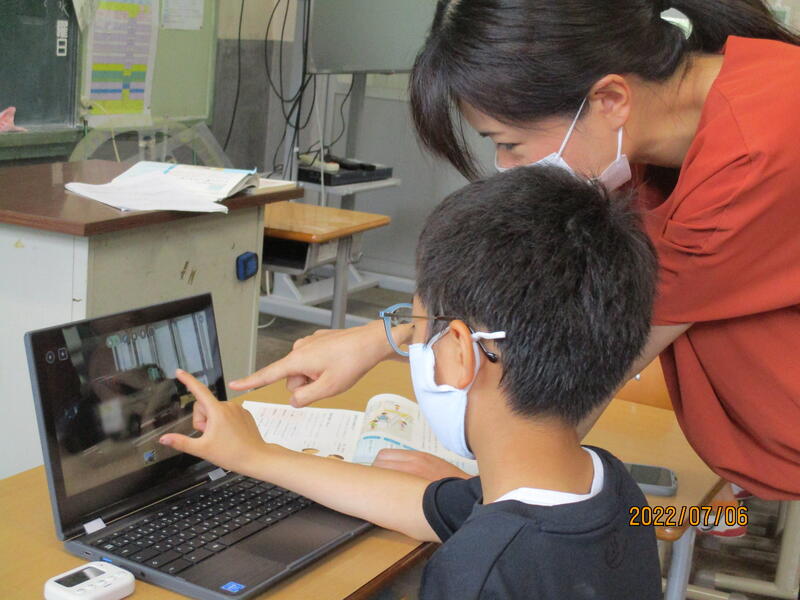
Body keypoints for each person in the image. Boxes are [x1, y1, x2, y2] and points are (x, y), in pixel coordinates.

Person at [232, 0, 800, 501]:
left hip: (773, 440)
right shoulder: (646, 135)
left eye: (510, 144)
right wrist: (378, 339)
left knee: (652, 517)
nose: (507, 167)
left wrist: (485, 496)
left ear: (609, 99)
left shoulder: (759, 149)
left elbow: (578, 357)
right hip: (744, 432)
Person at [160, 167, 662, 598]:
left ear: (461, 352)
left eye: (419, 329)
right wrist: (256, 457)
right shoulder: (610, 486)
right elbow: (418, 503)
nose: (414, 346)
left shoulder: (477, 573)